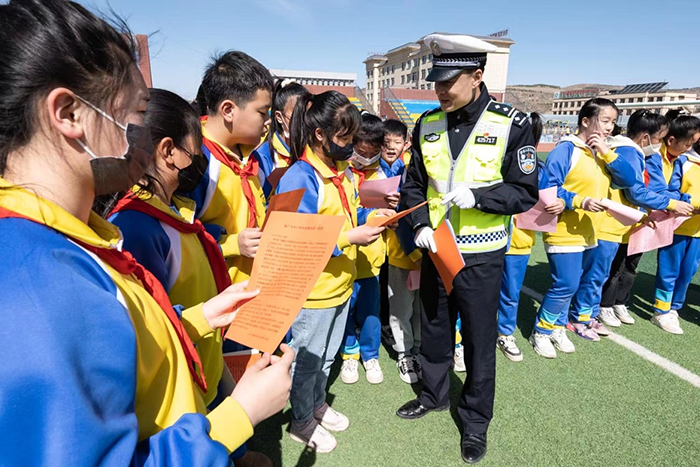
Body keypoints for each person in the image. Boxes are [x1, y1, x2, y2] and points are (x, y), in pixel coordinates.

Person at [0, 1, 292, 465]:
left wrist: (198, 318)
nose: (147, 135)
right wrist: (241, 413)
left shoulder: (66, 240)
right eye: (138, 112)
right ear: (69, 114)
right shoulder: (37, 284)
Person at [105, 89, 272, 467]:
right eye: (196, 151)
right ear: (169, 151)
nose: (200, 160)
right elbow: (154, 335)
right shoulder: (137, 226)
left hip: (204, 363)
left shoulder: (176, 212)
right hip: (178, 389)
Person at [397, 34, 538, 464]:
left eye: (448, 83)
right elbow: (414, 185)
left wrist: (479, 197)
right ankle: (434, 395)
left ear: (476, 77)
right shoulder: (427, 123)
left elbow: (524, 192)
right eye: (436, 83)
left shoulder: (511, 123)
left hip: (481, 256)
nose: (439, 91)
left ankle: (475, 421)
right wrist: (419, 224)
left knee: (478, 339)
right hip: (436, 248)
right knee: (434, 327)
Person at [276, 91, 393, 453]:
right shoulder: (299, 177)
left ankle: (315, 405)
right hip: (312, 293)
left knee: (326, 357)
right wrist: (348, 238)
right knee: (306, 361)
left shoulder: (341, 173)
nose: (352, 146)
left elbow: (351, 214)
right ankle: (301, 421)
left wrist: (372, 217)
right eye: (346, 138)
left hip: (341, 285)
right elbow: (290, 238)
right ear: (320, 135)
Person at [530, 98, 633, 354]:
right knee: (565, 284)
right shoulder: (567, 149)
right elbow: (548, 187)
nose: (609, 127)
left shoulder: (603, 152)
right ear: (585, 121)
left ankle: (557, 327)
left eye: (613, 122)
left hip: (590, 231)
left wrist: (607, 152)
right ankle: (541, 331)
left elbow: (629, 179)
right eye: (605, 121)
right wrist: (579, 201)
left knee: (574, 283)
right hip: (565, 229)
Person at [598, 110, 694, 327]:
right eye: (659, 139)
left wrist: (680, 199)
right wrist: (673, 204)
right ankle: (602, 306)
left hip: (636, 219)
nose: (660, 145)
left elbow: (657, 187)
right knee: (612, 267)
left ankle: (617, 302)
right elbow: (636, 192)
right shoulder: (629, 152)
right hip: (619, 220)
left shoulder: (645, 154)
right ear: (646, 137)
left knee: (628, 265)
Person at [184, 51, 273, 285]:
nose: (268, 121)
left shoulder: (251, 157)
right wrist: (231, 244)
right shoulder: (195, 161)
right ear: (228, 110)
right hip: (219, 292)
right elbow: (180, 238)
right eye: (262, 112)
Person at [339, 114, 391, 384]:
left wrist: (390, 208)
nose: (366, 158)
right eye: (361, 152)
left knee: (371, 310)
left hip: (371, 257)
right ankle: (349, 353)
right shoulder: (341, 171)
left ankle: (371, 355)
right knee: (346, 309)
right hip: (345, 255)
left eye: (372, 153)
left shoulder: (383, 173)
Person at [496, 113, 549, 362]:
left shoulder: (538, 168)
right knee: (476, 292)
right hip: (488, 239)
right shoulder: (492, 160)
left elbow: (553, 193)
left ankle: (505, 333)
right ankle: (463, 337)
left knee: (511, 292)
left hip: (519, 241)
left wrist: (561, 202)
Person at [382, 119, 425, 384]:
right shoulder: (392, 171)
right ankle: (404, 352)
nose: (391, 147)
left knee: (420, 307)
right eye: (386, 142)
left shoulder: (422, 168)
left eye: (397, 142)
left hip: (427, 253)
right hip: (402, 253)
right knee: (400, 307)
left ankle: (418, 348)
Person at [651, 118, 700, 334]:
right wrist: (690, 202)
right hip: (678, 226)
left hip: (698, 231)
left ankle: (674, 308)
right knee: (669, 270)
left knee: (688, 272)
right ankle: (661, 310)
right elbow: (670, 190)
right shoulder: (684, 161)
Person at [256, 79, 311, 199]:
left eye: (307, 116)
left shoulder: (314, 150)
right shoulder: (263, 157)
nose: (303, 123)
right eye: (296, 117)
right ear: (279, 117)